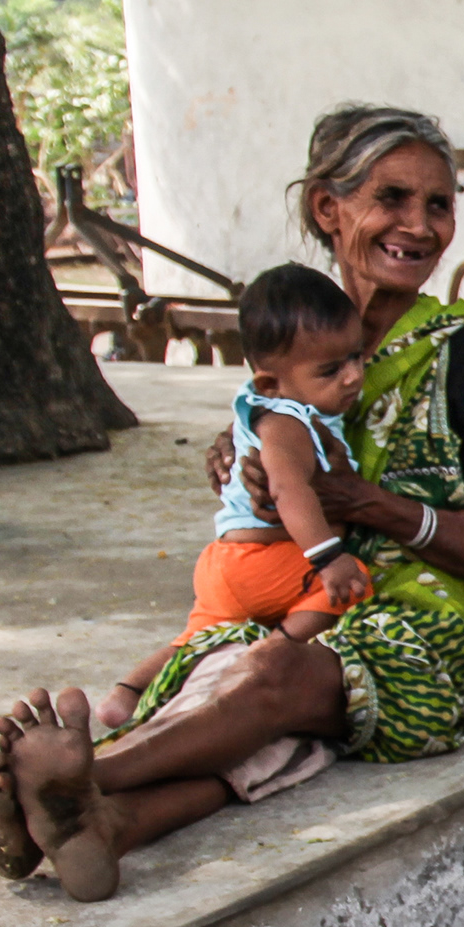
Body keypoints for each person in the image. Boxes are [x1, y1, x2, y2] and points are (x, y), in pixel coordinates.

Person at [0, 104, 464, 901]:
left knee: (269, 677)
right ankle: (92, 828)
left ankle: (64, 786)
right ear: (329, 208)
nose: (419, 226)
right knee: (236, 691)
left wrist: (367, 504)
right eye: (392, 198)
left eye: (438, 204)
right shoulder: (287, 353)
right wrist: (254, 481)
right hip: (290, 604)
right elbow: (269, 477)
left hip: (418, 626)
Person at [94, 262, 380, 728]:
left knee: (198, 636)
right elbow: (290, 491)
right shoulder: (289, 423)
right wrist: (329, 559)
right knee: (353, 583)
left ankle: (125, 694)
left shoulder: (264, 402)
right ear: (271, 382)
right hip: (264, 562)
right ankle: (271, 654)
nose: (352, 377)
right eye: (331, 370)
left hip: (223, 562)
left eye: (357, 357)